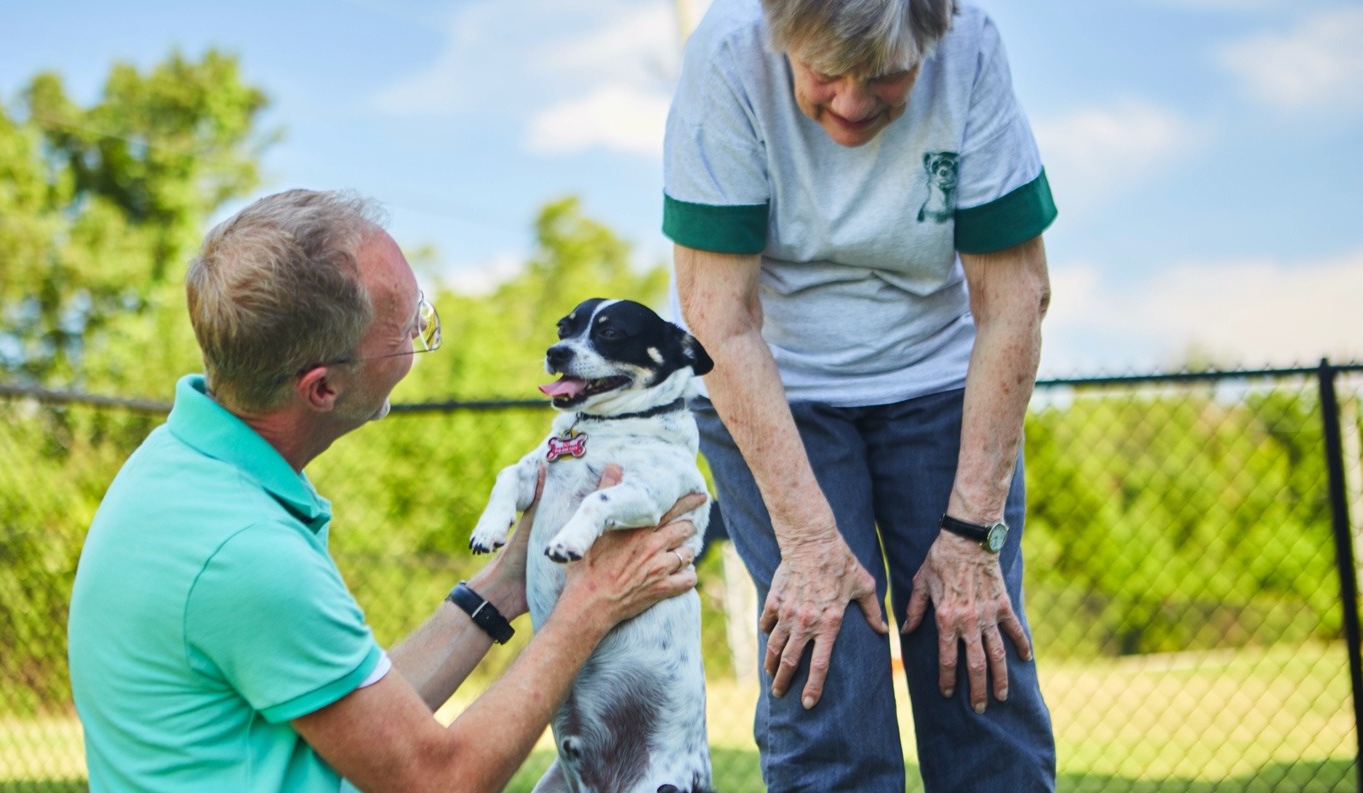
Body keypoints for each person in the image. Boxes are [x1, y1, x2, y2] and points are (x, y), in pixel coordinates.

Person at [67, 188, 703, 793]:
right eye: (408, 331)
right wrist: (589, 607)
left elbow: (366, 723)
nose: (420, 343)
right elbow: (438, 781)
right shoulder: (245, 553)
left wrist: (506, 584)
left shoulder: (183, 471)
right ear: (323, 388)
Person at [662, 0, 1057, 790]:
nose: (849, 102)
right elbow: (720, 319)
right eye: (823, 73)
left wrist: (972, 533)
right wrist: (809, 544)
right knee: (826, 679)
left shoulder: (971, 43)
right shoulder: (728, 49)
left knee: (976, 663)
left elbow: (1013, 298)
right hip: (774, 381)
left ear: (934, 31)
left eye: (884, 75)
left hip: (940, 381)